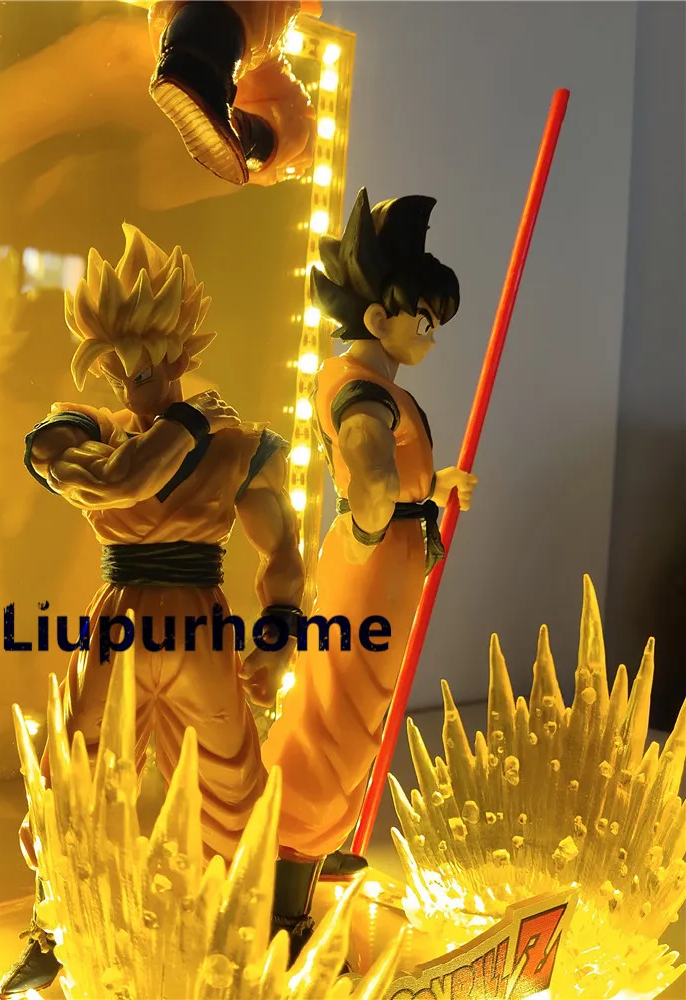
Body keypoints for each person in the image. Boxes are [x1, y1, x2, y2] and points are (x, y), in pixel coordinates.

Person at [0, 223, 305, 995]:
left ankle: (232, 933)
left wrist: (277, 636)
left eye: (146, 363)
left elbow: (283, 552)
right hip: (120, 626)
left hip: (201, 627)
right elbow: (121, 482)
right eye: (118, 364)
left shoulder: (242, 445)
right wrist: (192, 420)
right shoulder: (79, 430)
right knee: (77, 775)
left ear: (179, 351)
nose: (132, 381)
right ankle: (54, 929)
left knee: (230, 785)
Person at [257, 188, 478, 961]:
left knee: (362, 714)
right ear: (381, 317)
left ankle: (318, 847)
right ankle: (285, 884)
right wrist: (374, 518)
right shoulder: (359, 390)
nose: (432, 337)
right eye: (426, 320)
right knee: (336, 716)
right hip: (370, 566)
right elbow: (370, 469)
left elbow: (397, 478)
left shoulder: (383, 386)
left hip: (385, 563)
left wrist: (436, 486)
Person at [147, 0, 322, 186]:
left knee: (297, 136)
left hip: (196, 38)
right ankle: (197, 62)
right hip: (215, 37)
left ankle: (238, 133)